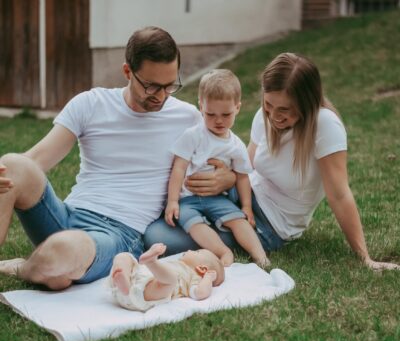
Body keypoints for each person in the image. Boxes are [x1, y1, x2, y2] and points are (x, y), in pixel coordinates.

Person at [0, 26, 235, 289]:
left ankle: (26, 266)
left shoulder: (187, 118)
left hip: (116, 235)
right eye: (151, 86)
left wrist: (229, 177)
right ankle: (52, 263)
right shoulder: (90, 104)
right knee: (11, 165)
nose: (161, 96)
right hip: (67, 215)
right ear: (127, 72)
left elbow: (228, 155)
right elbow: (35, 160)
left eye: (169, 86)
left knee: (60, 255)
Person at [145, 52, 399, 271]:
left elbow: (340, 194)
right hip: (242, 197)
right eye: (269, 105)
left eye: (284, 110)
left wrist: (365, 257)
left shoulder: (324, 125)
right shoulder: (264, 115)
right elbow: (248, 165)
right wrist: (227, 179)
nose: (274, 116)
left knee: (160, 236)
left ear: (306, 103)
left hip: (270, 224)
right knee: (164, 213)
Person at [165, 69, 269, 267]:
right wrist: (172, 201)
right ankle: (223, 251)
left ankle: (260, 256)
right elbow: (178, 167)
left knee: (238, 220)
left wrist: (246, 206)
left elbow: (242, 176)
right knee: (194, 224)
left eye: (226, 114)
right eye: (210, 114)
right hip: (188, 199)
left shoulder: (236, 144)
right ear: (201, 106)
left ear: (238, 108)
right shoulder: (194, 135)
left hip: (217, 198)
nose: (218, 120)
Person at [110, 243, 224, 311]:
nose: (190, 250)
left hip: (147, 294)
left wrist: (208, 278)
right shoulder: (175, 264)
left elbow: (200, 293)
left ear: (202, 268)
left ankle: (151, 262)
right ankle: (124, 280)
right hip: (132, 284)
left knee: (171, 280)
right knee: (124, 256)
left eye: (196, 252)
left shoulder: (194, 276)